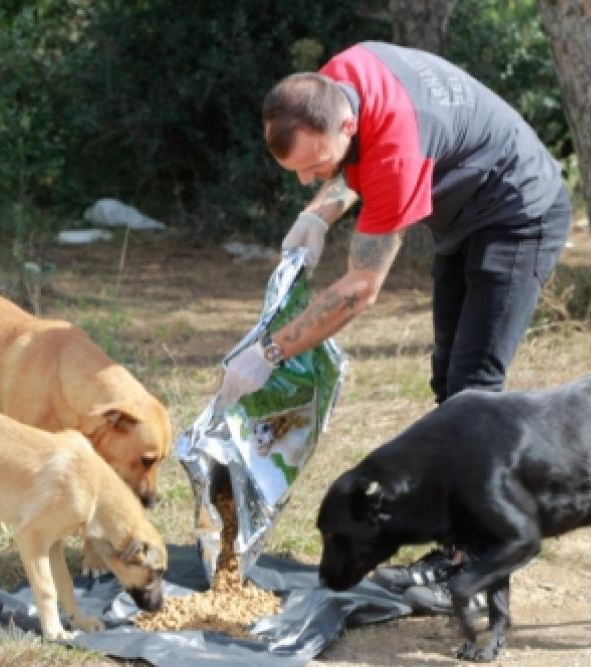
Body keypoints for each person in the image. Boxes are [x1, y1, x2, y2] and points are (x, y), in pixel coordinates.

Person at [215, 41, 572, 614]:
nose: (309, 179)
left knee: (474, 391)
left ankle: (476, 569)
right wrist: (319, 214)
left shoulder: (395, 151)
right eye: (298, 171)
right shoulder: (336, 82)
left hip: (518, 214)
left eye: (314, 166)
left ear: (348, 125)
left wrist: (269, 352)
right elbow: (347, 164)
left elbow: (360, 289)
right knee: (447, 381)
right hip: (465, 213)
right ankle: (457, 543)